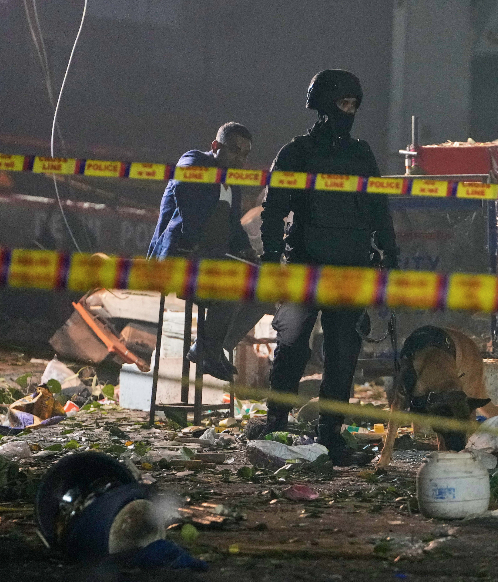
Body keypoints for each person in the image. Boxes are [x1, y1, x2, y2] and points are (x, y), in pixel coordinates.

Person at [260, 69, 399, 466]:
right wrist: (271, 261)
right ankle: (276, 427)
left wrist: (390, 252)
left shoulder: (361, 154)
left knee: (342, 354)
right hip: (305, 266)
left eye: (354, 105)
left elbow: (378, 208)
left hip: (351, 269)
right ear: (323, 105)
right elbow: (273, 211)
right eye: (343, 104)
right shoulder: (297, 152)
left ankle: (330, 437)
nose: (349, 112)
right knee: (291, 348)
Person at [148, 122, 265, 381]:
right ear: (215, 146)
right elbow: (186, 190)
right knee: (234, 283)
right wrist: (204, 240)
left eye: (245, 155)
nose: (240, 159)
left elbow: (234, 226)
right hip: (182, 257)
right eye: (235, 151)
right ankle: (208, 350)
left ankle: (210, 347)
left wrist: (248, 252)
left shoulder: (233, 184)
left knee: (264, 290)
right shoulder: (194, 161)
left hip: (213, 259)